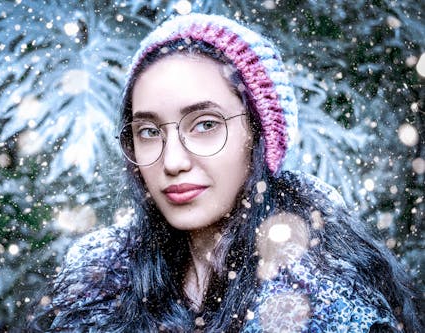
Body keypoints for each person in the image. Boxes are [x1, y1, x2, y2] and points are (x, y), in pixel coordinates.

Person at [31, 13, 422, 332]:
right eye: (149, 132)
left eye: (205, 125)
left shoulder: (331, 300)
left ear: (260, 134)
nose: (172, 161)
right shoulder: (100, 287)